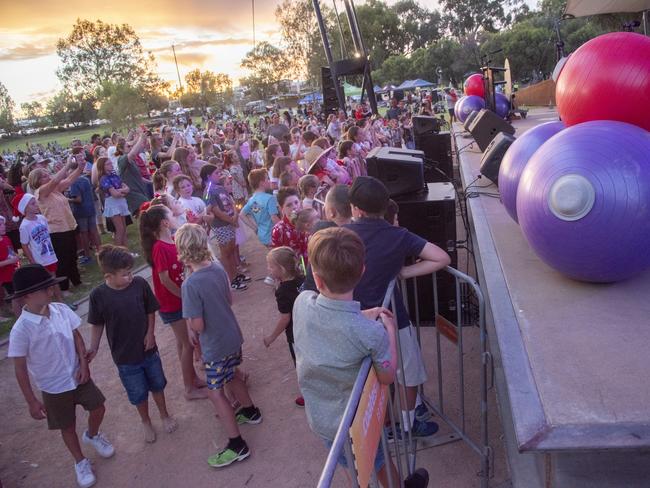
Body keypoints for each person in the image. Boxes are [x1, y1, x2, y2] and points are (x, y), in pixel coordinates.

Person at [293, 227, 406, 487]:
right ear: (362, 271)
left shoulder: (302, 302)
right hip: (355, 425)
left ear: (318, 280)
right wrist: (388, 330)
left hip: (322, 419)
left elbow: (332, 318)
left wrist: (364, 315)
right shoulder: (370, 333)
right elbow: (387, 374)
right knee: (378, 464)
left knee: (348, 465)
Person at [345, 176, 450, 438]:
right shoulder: (398, 235)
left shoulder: (342, 235)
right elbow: (441, 257)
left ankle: (375, 431)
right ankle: (408, 424)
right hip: (393, 319)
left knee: (366, 381)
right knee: (408, 373)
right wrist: (403, 271)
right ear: (386, 207)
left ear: (355, 208)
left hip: (353, 321)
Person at [8, 264, 115, 488]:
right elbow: (19, 369)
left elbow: (76, 336)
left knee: (99, 407)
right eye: (46, 288)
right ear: (28, 295)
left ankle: (93, 435)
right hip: (53, 387)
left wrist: (84, 364)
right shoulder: (21, 330)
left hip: (77, 376)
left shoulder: (60, 309)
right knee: (67, 426)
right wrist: (32, 401)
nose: (52, 290)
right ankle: (80, 461)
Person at [176, 223, 262, 468]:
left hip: (214, 346)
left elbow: (199, 326)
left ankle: (237, 445)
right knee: (233, 374)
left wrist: (191, 325)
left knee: (216, 393)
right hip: (232, 336)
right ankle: (250, 411)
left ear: (181, 251)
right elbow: (230, 300)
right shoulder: (217, 268)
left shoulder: (190, 285)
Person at [87, 245, 178, 443]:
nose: (130, 277)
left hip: (148, 350)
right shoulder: (98, 295)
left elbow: (150, 310)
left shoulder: (138, 284)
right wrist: (93, 347)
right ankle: (145, 421)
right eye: (125, 274)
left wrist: (150, 334)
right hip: (124, 357)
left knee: (158, 384)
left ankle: (164, 414)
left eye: (130, 272)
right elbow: (97, 323)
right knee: (138, 393)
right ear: (109, 275)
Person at [139, 205, 207, 401]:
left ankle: (192, 379)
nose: (175, 215)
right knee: (188, 344)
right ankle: (189, 388)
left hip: (178, 302)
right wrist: (185, 296)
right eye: (171, 214)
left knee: (183, 343)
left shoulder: (171, 242)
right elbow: (164, 278)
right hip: (174, 304)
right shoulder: (160, 247)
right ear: (164, 223)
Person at [29, 158, 84, 293]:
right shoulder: (41, 192)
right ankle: (64, 287)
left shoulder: (55, 190)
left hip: (68, 226)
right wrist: (66, 166)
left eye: (47, 173)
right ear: (37, 180)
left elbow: (69, 180)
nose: (48, 176)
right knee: (63, 259)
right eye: (44, 176)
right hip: (56, 230)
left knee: (72, 255)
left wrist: (80, 168)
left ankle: (76, 281)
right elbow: (55, 180)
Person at [264, 246, 305, 407]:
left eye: (270, 266)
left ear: (281, 269)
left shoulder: (282, 292)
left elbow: (285, 318)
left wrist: (271, 337)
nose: (268, 269)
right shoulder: (302, 279)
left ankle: (307, 395)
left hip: (296, 335)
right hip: (309, 328)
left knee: (301, 365)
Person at [200, 165, 249, 291]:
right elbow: (214, 209)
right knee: (226, 252)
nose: (219, 175)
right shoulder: (208, 191)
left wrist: (234, 216)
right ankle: (231, 279)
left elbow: (231, 201)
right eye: (216, 173)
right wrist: (230, 219)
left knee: (232, 249)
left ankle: (236, 274)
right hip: (221, 225)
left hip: (230, 222)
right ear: (208, 176)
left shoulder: (220, 187)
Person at [96, 157, 131, 249]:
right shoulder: (103, 178)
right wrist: (122, 191)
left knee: (124, 229)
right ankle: (118, 253)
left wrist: (120, 190)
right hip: (113, 203)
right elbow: (114, 194)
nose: (111, 165)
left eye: (111, 163)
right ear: (102, 166)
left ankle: (126, 251)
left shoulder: (114, 175)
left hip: (120, 202)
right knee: (119, 229)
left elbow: (127, 189)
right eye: (108, 164)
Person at [68, 171, 100, 264]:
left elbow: (78, 199)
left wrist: (67, 199)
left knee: (84, 233)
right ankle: (101, 251)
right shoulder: (85, 179)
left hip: (81, 211)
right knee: (94, 231)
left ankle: (87, 256)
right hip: (90, 208)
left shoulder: (73, 182)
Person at [271, 187, 308, 261]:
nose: (294, 207)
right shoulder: (278, 230)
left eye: (296, 202)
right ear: (282, 208)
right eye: (289, 205)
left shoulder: (308, 222)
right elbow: (278, 257)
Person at [0, 215, 20, 317]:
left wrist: (16, 257)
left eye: (3, 223)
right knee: (15, 297)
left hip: (15, 271)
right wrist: (9, 261)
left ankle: (26, 313)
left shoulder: (6, 238)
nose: (3, 226)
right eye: (0, 225)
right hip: (5, 276)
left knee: (21, 294)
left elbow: (10, 252)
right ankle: (19, 316)